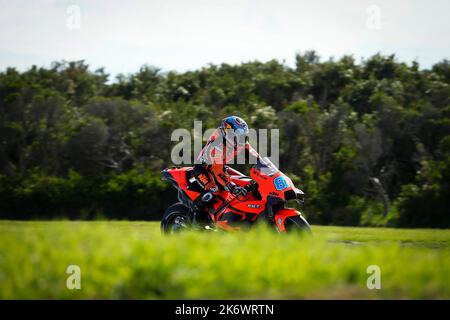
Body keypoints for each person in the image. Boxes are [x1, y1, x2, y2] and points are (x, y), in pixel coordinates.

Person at [192, 116, 259, 229]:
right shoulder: (217, 145)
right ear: (228, 133)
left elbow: (256, 158)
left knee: (245, 181)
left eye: (243, 135)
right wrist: (231, 186)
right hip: (204, 169)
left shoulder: (240, 142)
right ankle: (197, 219)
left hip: (220, 167)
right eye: (238, 135)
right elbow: (217, 172)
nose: (241, 138)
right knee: (214, 190)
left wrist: (266, 169)